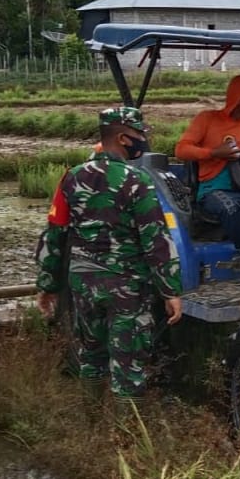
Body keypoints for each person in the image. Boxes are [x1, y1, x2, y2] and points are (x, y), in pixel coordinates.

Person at [36, 107, 184, 403]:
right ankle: (125, 442)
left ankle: (92, 424)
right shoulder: (137, 181)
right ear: (123, 138)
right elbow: (155, 239)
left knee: (91, 356)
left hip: (83, 285)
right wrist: (171, 291)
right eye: (139, 134)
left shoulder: (71, 179)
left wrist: (48, 284)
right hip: (126, 287)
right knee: (128, 367)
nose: (143, 140)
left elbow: (54, 236)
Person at [174, 75, 240, 249]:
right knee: (230, 208)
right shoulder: (208, 119)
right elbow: (181, 150)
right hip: (213, 190)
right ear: (239, 98)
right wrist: (214, 153)